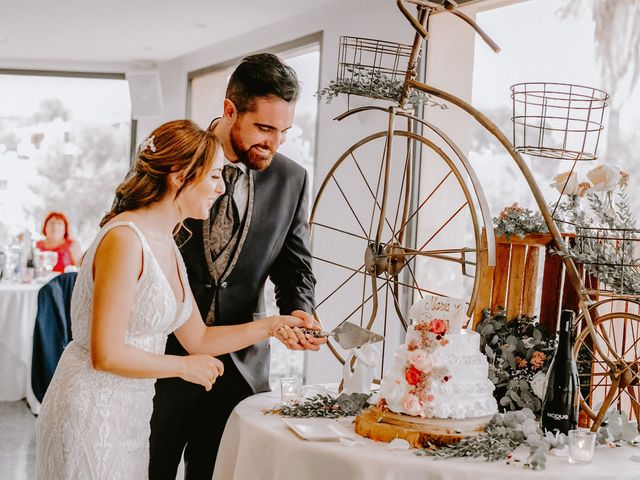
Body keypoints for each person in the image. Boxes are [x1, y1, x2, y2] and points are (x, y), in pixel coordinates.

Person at [36, 119, 320, 479]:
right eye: (215, 176)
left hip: (132, 411)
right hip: (91, 408)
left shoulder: (167, 241)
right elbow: (105, 353)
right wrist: (183, 367)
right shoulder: (125, 240)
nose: (221, 188)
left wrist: (272, 326)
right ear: (179, 175)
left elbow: (198, 338)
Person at [149, 53, 322, 479]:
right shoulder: (177, 160)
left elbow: (295, 266)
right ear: (230, 110)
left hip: (240, 371)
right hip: (160, 360)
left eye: (284, 131)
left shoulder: (291, 179)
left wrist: (301, 310)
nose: (275, 143)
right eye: (264, 128)